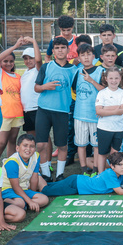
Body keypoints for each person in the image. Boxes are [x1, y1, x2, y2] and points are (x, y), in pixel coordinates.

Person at [34, 36, 80, 181]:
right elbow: (36, 88)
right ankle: (46, 173)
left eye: (63, 48)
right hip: (44, 110)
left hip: (62, 112)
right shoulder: (46, 67)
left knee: (62, 145)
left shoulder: (74, 70)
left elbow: (76, 90)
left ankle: (60, 174)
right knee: (41, 144)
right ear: (53, 51)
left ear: (68, 50)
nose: (60, 51)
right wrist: (45, 86)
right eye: (57, 48)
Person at [42, 151, 123, 196]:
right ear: (112, 166)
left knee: (50, 186)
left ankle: (38, 182)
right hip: (76, 184)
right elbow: (120, 191)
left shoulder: (121, 175)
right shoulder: (111, 173)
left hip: (78, 185)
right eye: (120, 165)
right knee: (46, 191)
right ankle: (36, 181)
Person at [72, 43, 105, 175]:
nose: (86, 57)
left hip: (95, 116)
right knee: (81, 144)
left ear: (93, 57)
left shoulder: (100, 71)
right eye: (82, 55)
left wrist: (91, 81)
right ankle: (84, 170)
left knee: (96, 145)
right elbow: (74, 89)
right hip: (80, 115)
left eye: (88, 54)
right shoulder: (77, 72)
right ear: (79, 58)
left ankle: (95, 169)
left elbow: (104, 90)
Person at [0, 134, 48, 219]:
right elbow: (15, 187)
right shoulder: (12, 162)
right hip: (7, 189)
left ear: (35, 149)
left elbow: (34, 177)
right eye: (25, 145)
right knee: (20, 203)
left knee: (44, 199)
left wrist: (33, 193)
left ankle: (23, 204)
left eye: (32, 146)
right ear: (17, 148)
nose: (28, 149)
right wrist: (30, 201)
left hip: (23, 188)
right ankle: (5, 202)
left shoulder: (36, 156)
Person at [94, 66, 123, 175]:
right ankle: (100, 175)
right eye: (111, 78)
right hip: (104, 128)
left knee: (115, 154)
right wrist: (116, 109)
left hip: (118, 129)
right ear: (106, 78)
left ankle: (114, 174)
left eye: (116, 78)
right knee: (102, 153)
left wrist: (105, 109)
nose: (114, 81)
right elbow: (98, 111)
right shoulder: (102, 93)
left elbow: (122, 110)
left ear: (120, 78)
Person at [0, 39, 25, 158]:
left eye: (11, 61)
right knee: (1, 143)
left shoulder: (17, 76)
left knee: (12, 140)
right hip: (4, 114)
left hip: (17, 114)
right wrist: (15, 46)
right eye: (5, 61)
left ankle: (9, 165)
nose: (8, 63)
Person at [19, 39, 47, 161]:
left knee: (43, 138)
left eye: (31, 58)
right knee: (31, 138)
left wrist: (34, 41)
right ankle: (34, 161)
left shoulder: (38, 70)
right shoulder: (25, 73)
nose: (28, 61)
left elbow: (39, 61)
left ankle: (47, 162)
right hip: (27, 110)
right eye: (25, 58)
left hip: (37, 108)